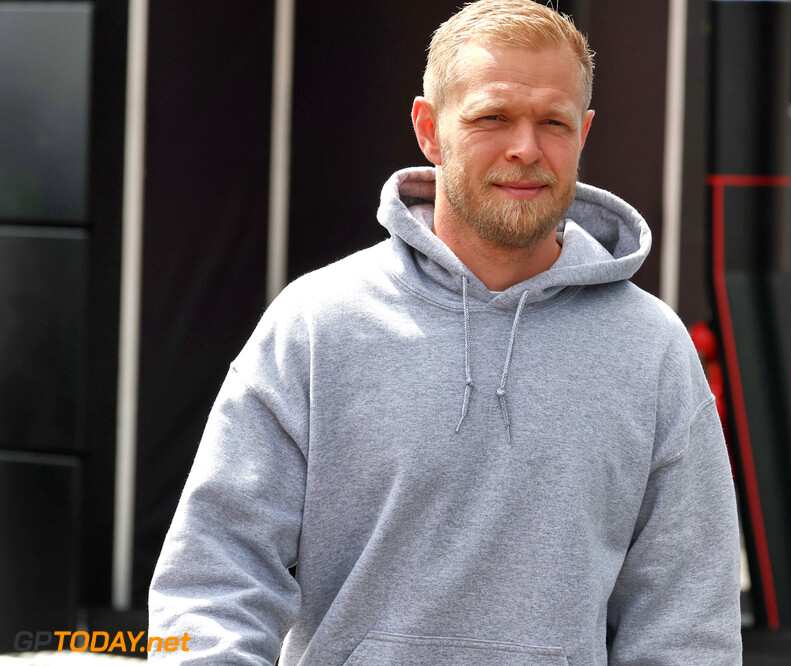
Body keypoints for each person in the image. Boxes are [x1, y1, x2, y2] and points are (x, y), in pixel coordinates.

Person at [148, 1, 742, 663]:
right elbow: (216, 571)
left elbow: (688, 620)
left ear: (584, 134)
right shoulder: (318, 324)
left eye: (553, 122)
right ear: (429, 130)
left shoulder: (652, 351)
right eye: (492, 117)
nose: (526, 147)